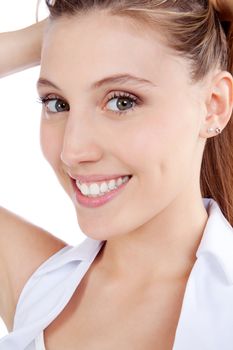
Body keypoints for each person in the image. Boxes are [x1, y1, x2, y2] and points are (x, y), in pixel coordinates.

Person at [0, 0, 233, 349]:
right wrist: (48, 37)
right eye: (56, 103)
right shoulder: (39, 288)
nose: (72, 150)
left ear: (213, 105)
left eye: (122, 101)